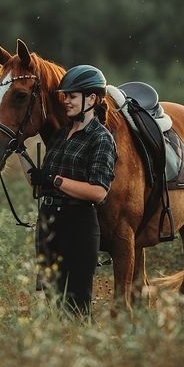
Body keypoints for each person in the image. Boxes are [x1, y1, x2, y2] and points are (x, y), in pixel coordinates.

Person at [28, 64, 117, 317]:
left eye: (72, 96)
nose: (65, 101)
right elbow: (39, 183)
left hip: (78, 226)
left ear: (91, 98)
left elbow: (99, 192)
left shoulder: (101, 138)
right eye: (65, 96)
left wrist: (54, 180)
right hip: (49, 224)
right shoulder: (60, 135)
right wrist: (23, 155)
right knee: (53, 303)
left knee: (76, 308)